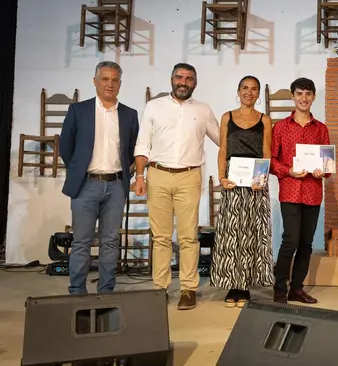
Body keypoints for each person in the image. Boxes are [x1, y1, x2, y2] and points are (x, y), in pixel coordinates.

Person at [133, 63, 220, 310]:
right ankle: (160, 288)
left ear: (195, 82)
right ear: (171, 79)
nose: (184, 82)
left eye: (189, 78)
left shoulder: (203, 110)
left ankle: (188, 288)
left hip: (189, 177)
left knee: (188, 236)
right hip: (157, 174)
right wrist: (140, 177)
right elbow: (142, 145)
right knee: (160, 236)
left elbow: (223, 140)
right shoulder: (153, 107)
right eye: (179, 77)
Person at [59, 61, 139, 295]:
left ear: (120, 84)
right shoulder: (78, 110)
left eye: (114, 80)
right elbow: (66, 146)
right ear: (95, 81)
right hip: (86, 185)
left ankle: (106, 291)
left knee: (110, 242)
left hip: (116, 187)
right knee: (82, 242)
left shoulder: (129, 114)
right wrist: (78, 171)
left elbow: (133, 149)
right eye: (104, 79)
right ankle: (77, 292)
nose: (109, 84)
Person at [211, 75, 274, 308]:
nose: (249, 92)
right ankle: (232, 284)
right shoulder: (227, 117)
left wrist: (262, 178)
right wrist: (221, 176)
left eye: (254, 89)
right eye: (245, 88)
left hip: (256, 181)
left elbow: (266, 151)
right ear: (238, 91)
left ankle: (245, 287)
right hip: (233, 182)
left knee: (251, 234)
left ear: (258, 94)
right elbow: (223, 150)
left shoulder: (264, 120)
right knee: (232, 233)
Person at [270, 77, 331, 304]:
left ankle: (297, 288)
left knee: (306, 243)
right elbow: (272, 161)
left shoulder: (321, 129)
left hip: (313, 193)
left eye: (308, 94)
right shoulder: (281, 128)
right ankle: (279, 288)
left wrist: (321, 171)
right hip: (290, 192)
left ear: (313, 96)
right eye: (299, 94)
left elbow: (327, 166)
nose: (303, 98)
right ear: (292, 96)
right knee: (290, 241)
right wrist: (288, 170)